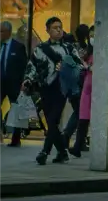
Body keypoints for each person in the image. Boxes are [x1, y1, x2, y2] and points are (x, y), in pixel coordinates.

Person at [22, 16, 83, 165]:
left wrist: (67, 69)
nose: (58, 30)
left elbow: (80, 66)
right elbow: (32, 67)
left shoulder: (69, 48)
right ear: (48, 30)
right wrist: (27, 80)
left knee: (52, 119)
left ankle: (45, 151)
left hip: (62, 89)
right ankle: (62, 151)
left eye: (60, 27)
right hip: (45, 88)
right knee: (51, 122)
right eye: (55, 28)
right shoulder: (40, 50)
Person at [63, 24, 91, 148]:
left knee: (79, 112)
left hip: (70, 83)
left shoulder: (72, 47)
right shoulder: (87, 49)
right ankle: (68, 135)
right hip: (81, 84)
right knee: (80, 113)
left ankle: (78, 140)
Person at [0, 20, 28, 146]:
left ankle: (16, 139)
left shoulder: (18, 47)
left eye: (1, 31)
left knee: (16, 109)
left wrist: (23, 82)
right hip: (0, 83)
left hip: (14, 84)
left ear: (9, 32)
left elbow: (24, 66)